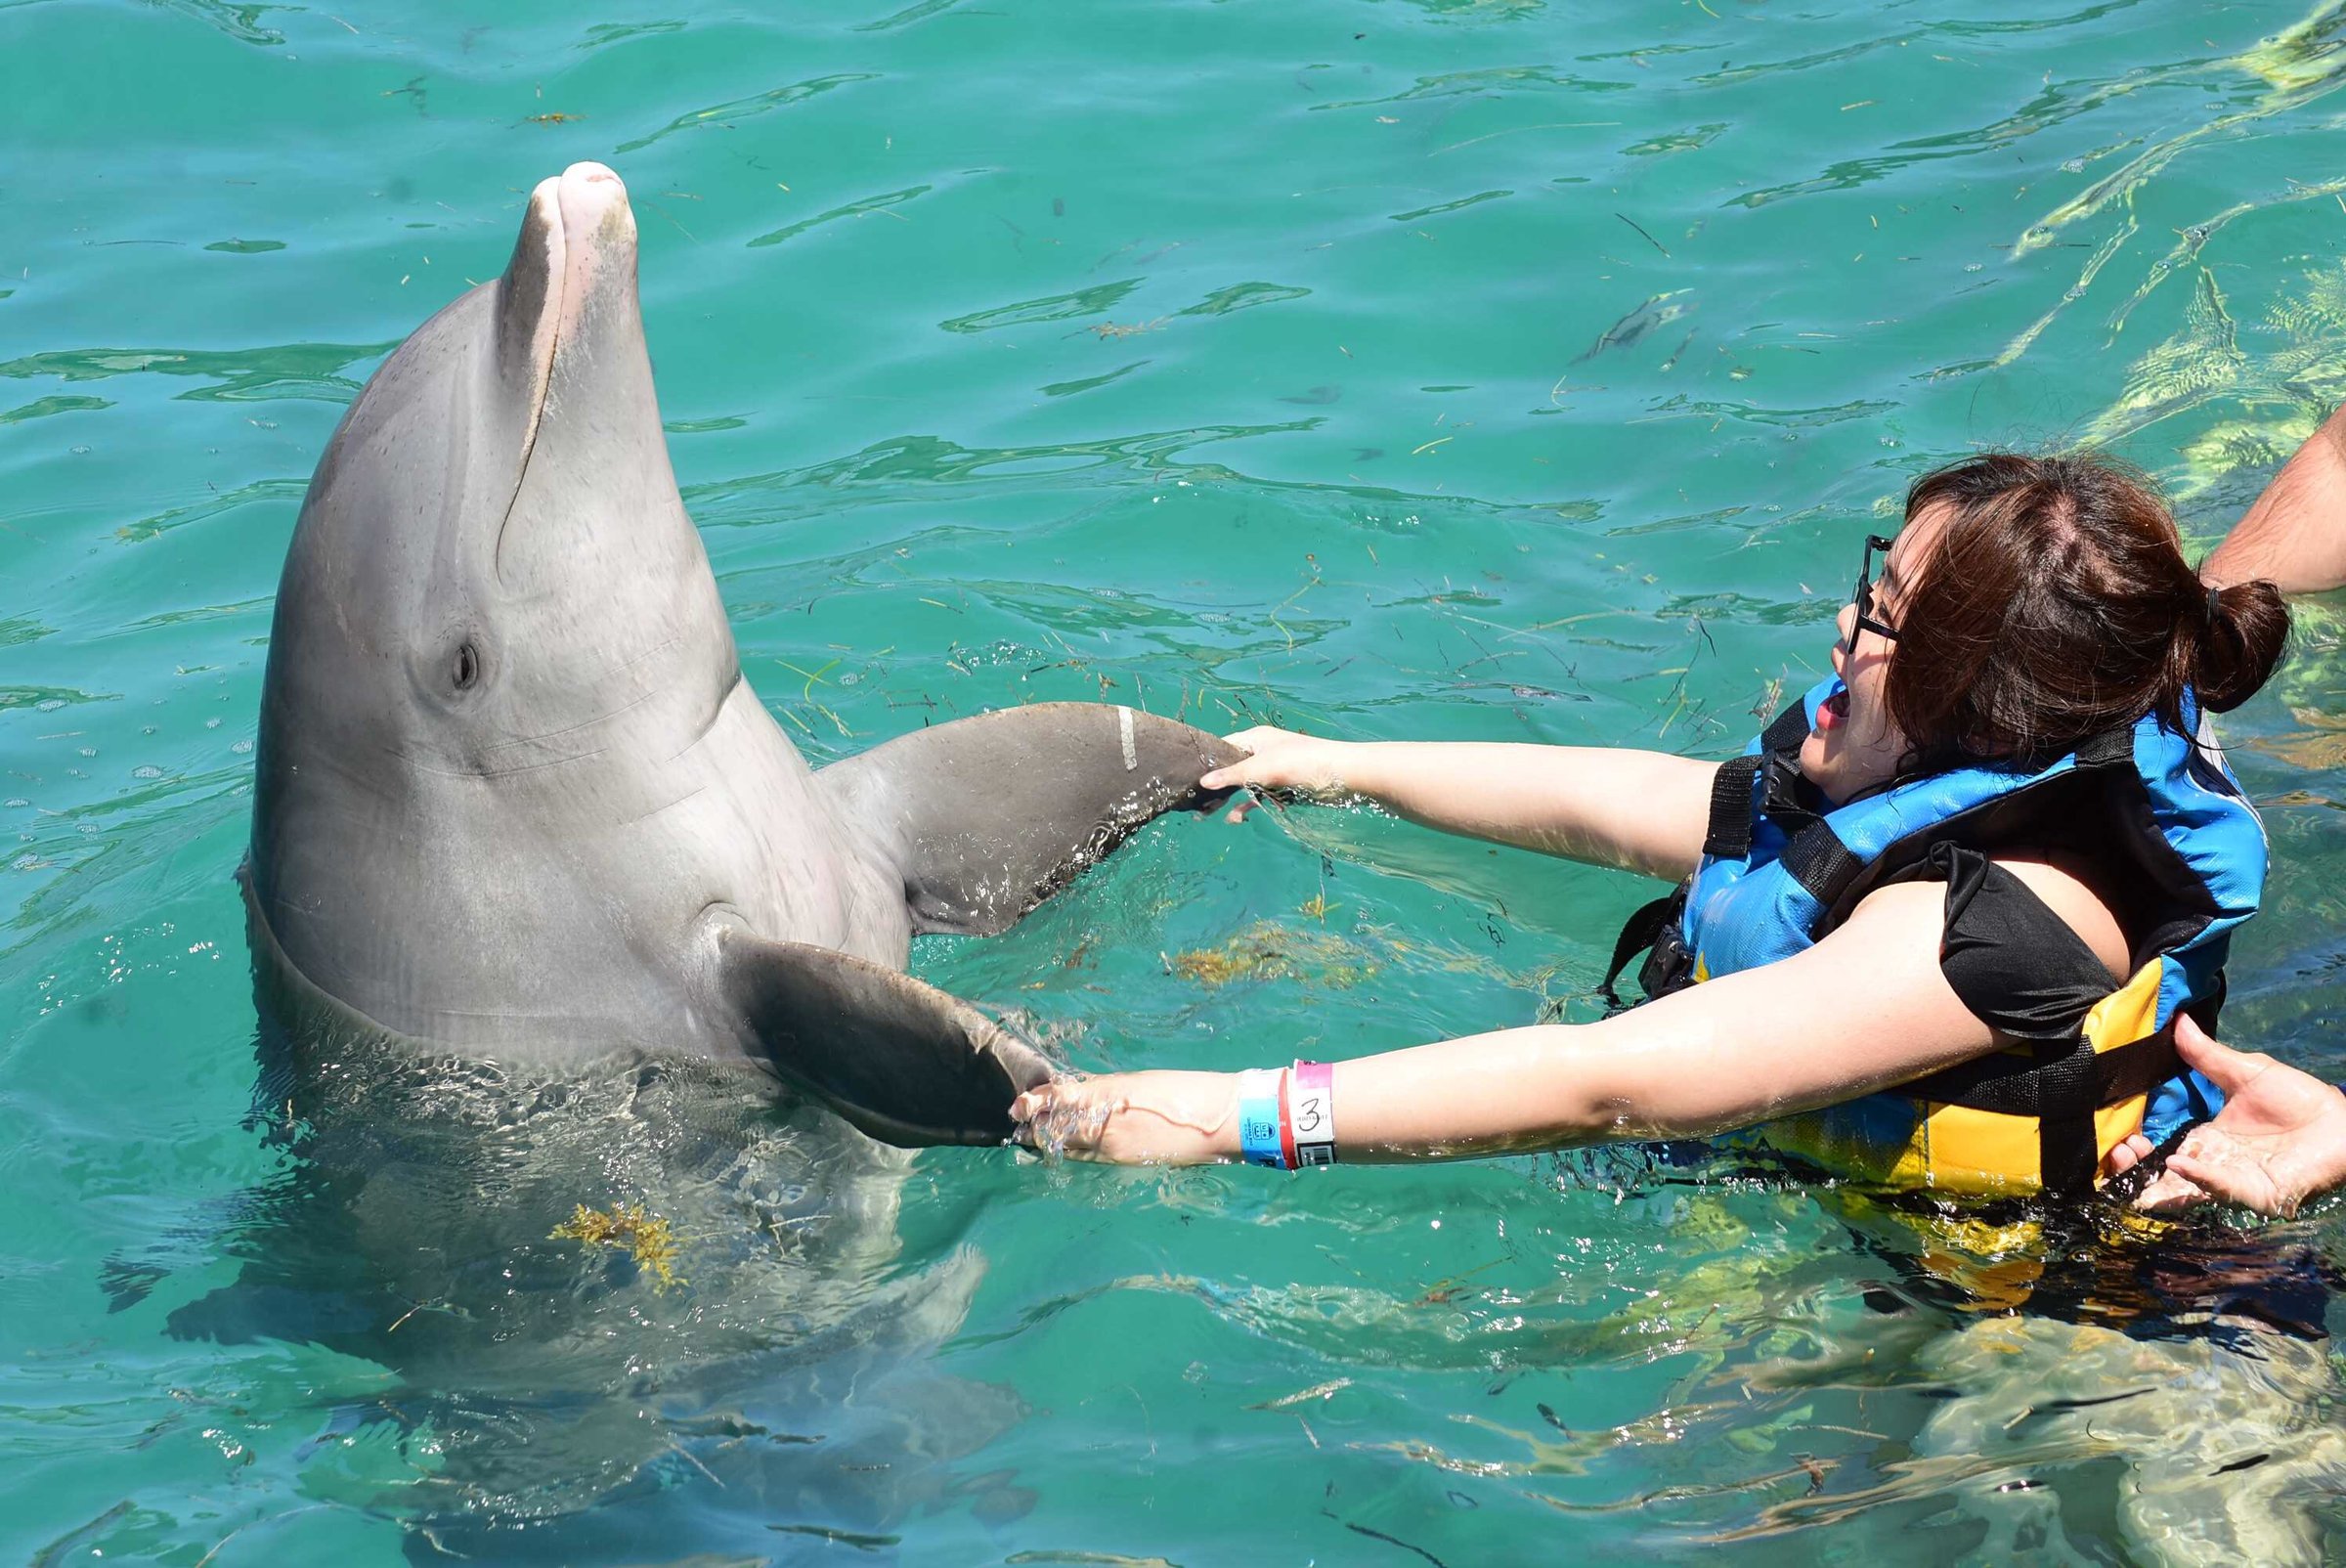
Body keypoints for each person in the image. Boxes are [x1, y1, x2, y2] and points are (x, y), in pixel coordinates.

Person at [1012, 453, 2291, 1200]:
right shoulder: (1942, 764)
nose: (1843, 630)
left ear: (1986, 706)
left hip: (2101, 1343)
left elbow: (1615, 1084)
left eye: (1886, 618)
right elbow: (1620, 804)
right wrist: (1329, 764)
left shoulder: (1991, 928)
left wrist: (1215, 1116)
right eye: (1874, 582)